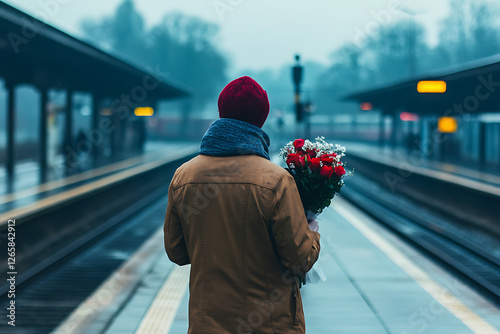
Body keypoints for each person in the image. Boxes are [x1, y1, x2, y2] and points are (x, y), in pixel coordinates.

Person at [164, 76, 321, 334]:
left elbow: (176, 251)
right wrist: (311, 232)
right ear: (261, 119)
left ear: (221, 112)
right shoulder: (276, 181)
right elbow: (299, 259)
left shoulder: (184, 176)